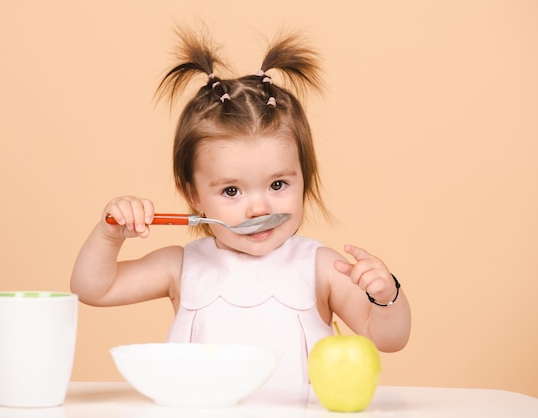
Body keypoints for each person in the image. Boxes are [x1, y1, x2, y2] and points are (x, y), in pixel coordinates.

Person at [71, 28, 411, 387]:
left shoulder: (321, 268)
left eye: (278, 185)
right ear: (194, 196)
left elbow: (387, 339)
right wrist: (109, 235)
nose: (259, 208)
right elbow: (94, 289)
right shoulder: (181, 266)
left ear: (304, 179)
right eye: (232, 191)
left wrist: (386, 296)